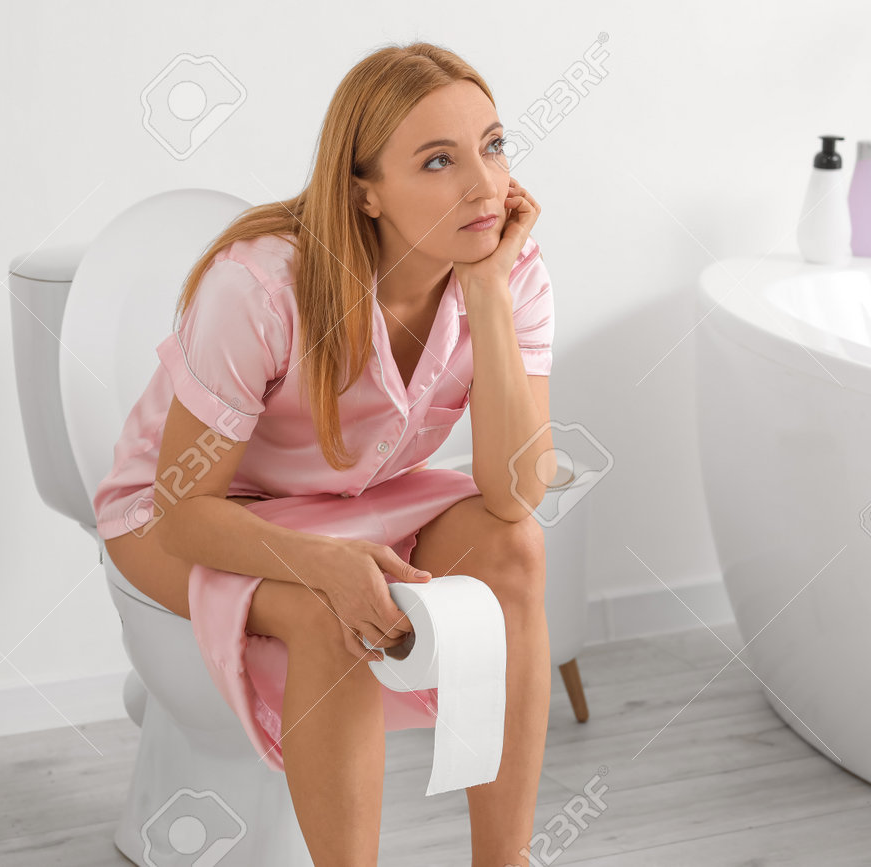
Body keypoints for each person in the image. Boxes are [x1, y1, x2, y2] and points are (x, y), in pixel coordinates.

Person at [96, 41, 556, 867]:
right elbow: (182, 510)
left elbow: (517, 489)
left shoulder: (509, 272)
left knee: (515, 547)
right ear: (366, 191)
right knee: (325, 613)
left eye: (492, 145)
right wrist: (324, 567)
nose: (485, 186)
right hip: (186, 515)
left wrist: (486, 294)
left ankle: (505, 860)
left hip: (353, 502)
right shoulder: (262, 285)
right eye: (438, 161)